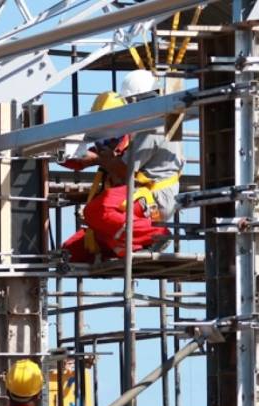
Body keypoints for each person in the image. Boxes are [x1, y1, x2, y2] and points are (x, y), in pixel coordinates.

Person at [57, 70, 184, 262]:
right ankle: (128, 245)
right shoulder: (142, 128)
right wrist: (57, 152)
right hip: (132, 205)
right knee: (71, 251)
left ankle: (155, 235)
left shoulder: (152, 127)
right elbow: (78, 159)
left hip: (152, 197)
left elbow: (125, 170)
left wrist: (102, 159)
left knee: (96, 210)